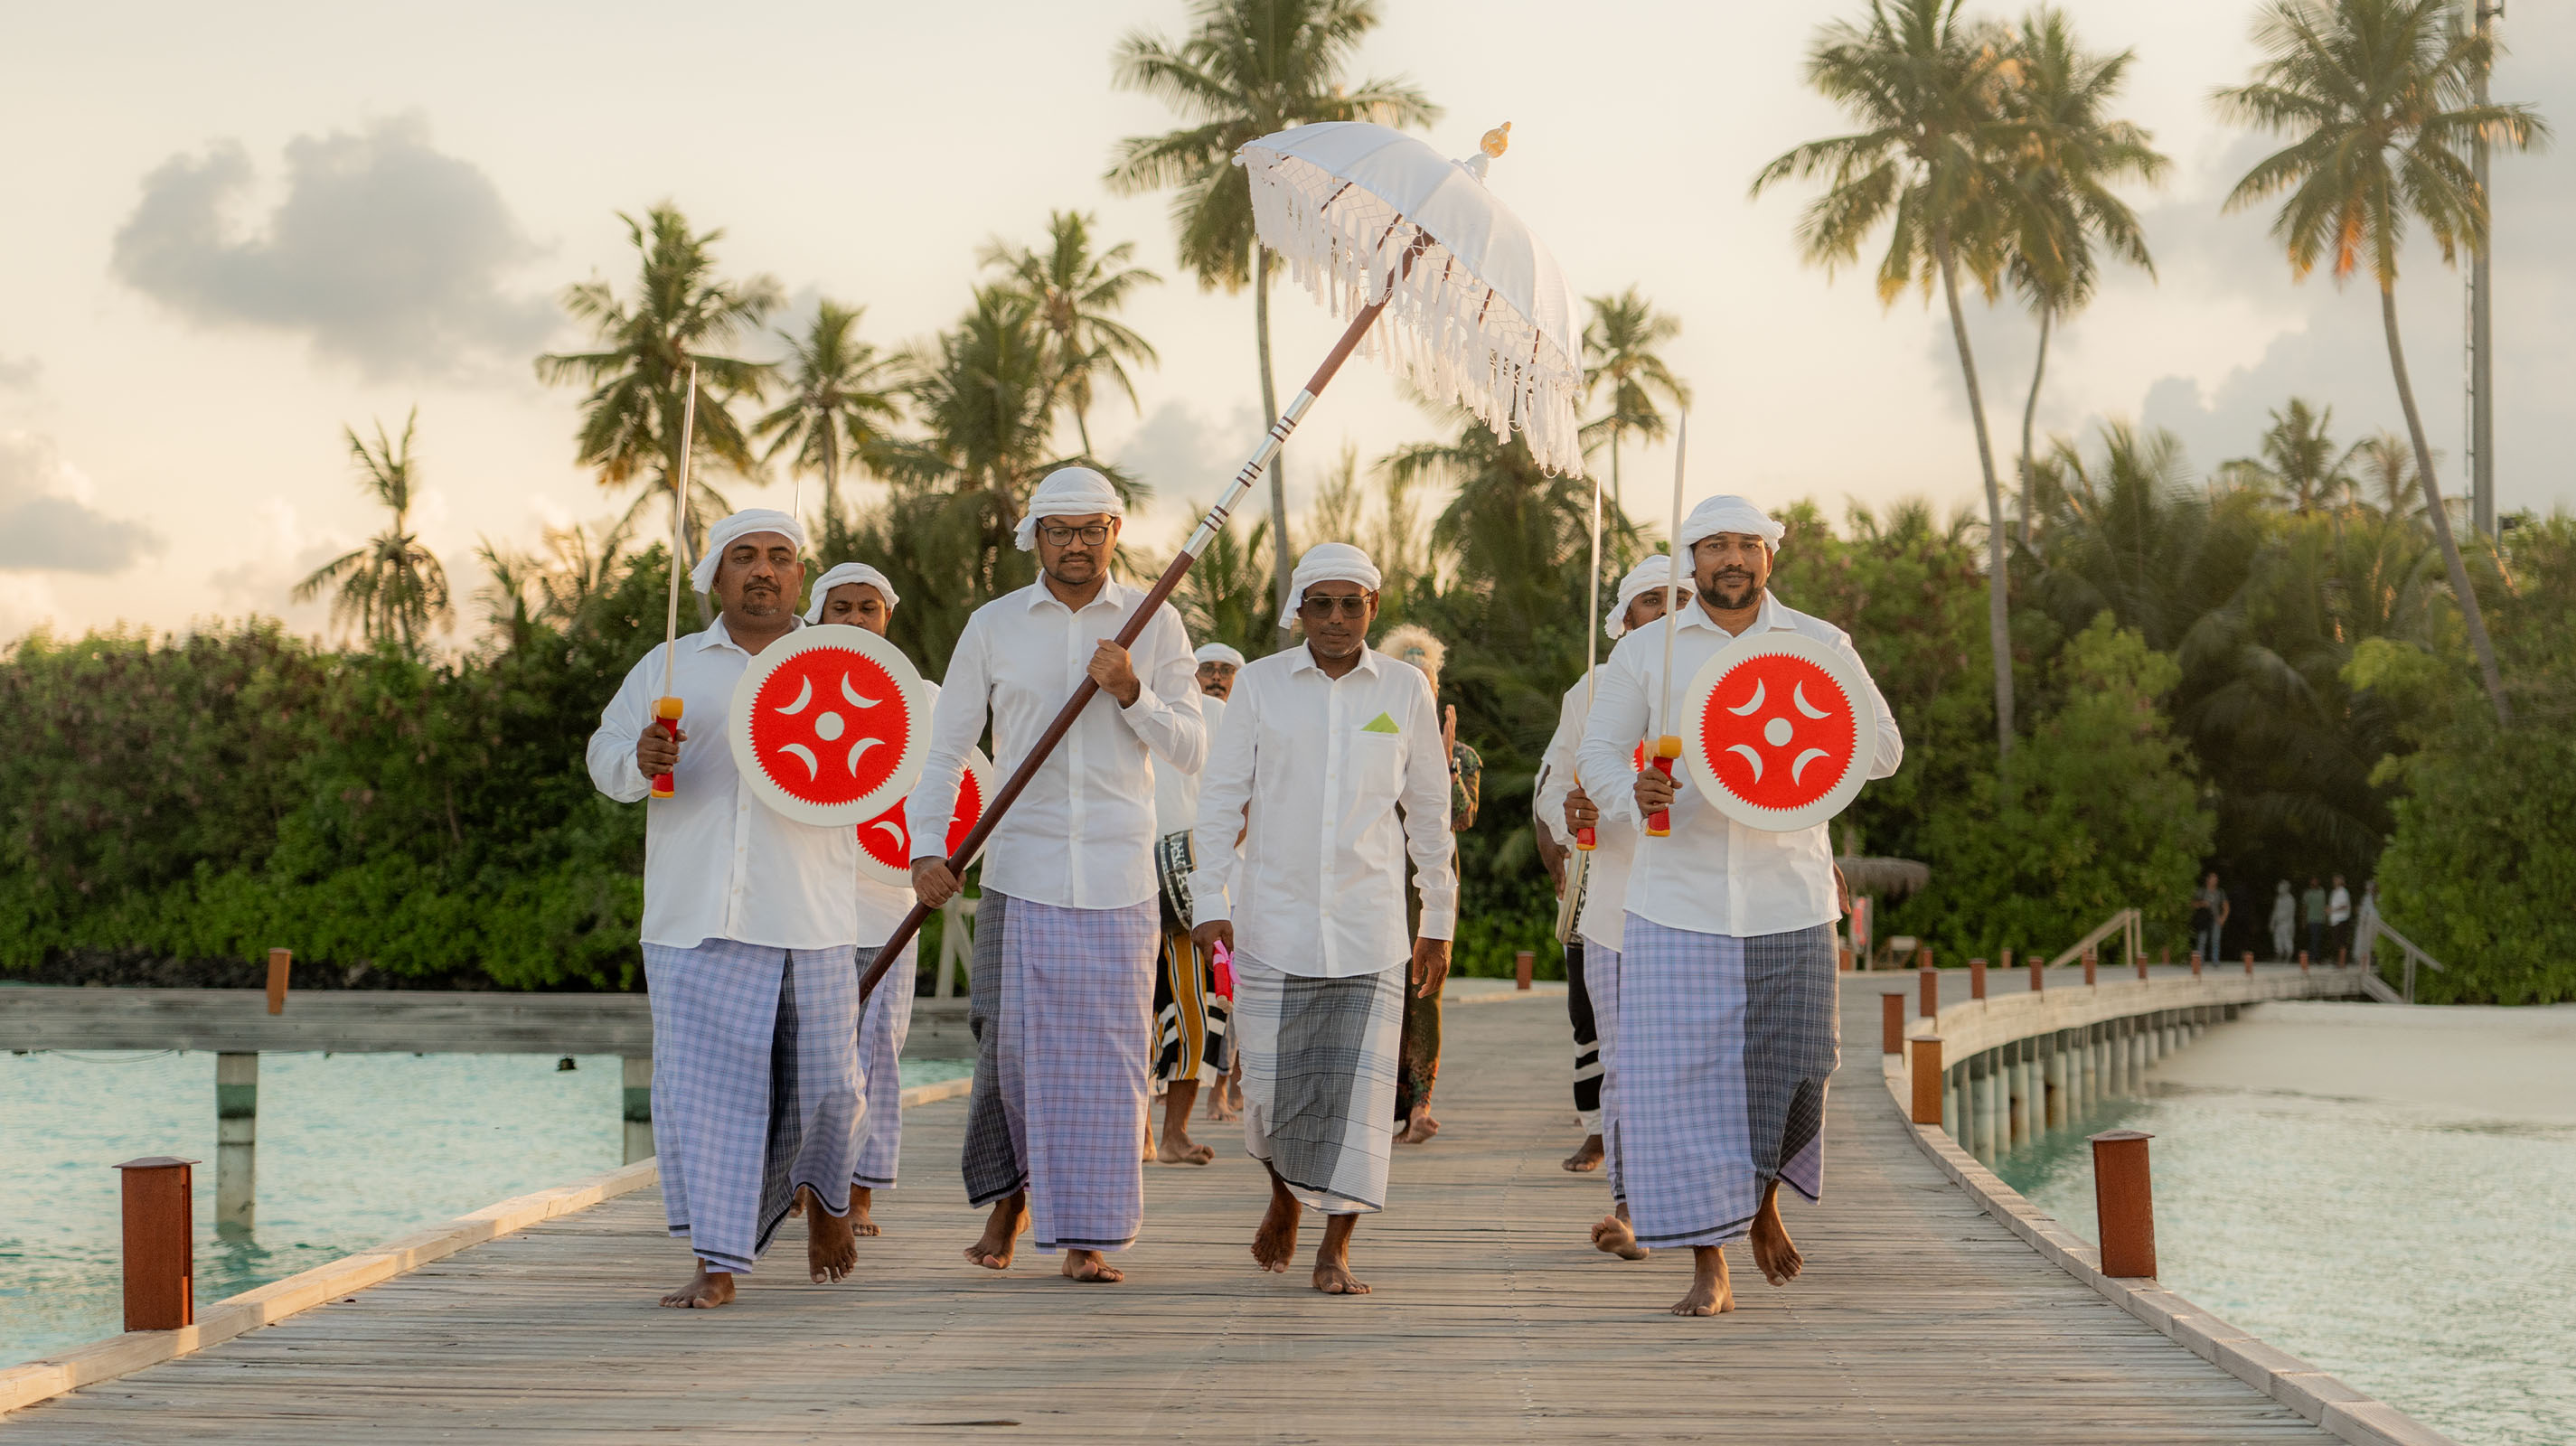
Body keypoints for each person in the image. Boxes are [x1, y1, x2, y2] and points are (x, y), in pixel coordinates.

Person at [1576, 496, 1902, 1317]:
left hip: (1790, 897)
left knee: (1802, 1066)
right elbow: (1598, 754)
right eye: (1714, 545)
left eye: (1747, 545)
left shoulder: (1820, 645)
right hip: (1673, 898)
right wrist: (1632, 791)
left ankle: (1763, 1204)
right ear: (1691, 560)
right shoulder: (1646, 651)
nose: (1732, 559)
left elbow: (1885, 750)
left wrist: (1797, 750)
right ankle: (1709, 1263)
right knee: (1681, 1084)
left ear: (1769, 557)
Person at [907, 467, 1206, 1285]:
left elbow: (1193, 747)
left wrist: (1133, 692)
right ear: (1034, 536)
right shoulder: (994, 625)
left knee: (1107, 1061)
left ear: (1115, 533)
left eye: (1090, 530)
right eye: (1059, 530)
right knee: (1010, 1047)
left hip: (1118, 871)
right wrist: (928, 847)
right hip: (1020, 865)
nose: (1076, 545)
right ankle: (1013, 1198)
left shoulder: (1156, 622)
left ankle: (1088, 1235)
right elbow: (945, 749)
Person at [586, 508, 867, 1310]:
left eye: (779, 556)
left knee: (831, 1088)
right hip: (695, 916)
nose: (763, 570)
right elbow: (604, 753)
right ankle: (718, 1262)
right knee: (708, 1102)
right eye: (744, 556)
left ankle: (827, 1202)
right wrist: (638, 757)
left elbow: (893, 762)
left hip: (809, 910)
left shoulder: (841, 662)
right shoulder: (670, 664)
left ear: (801, 577)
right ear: (715, 576)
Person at [1189, 543, 1455, 1296]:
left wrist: (1439, 917)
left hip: (1372, 926)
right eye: (1321, 604)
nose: (1336, 618)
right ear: (1298, 610)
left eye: (1351, 604)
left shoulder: (1404, 689)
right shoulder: (1261, 685)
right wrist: (1209, 901)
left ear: (1374, 607)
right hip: (1271, 922)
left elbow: (1429, 810)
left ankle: (1335, 1247)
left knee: (1358, 1101)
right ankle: (1283, 1195)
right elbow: (1221, 798)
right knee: (1270, 1093)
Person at [1534, 557, 1674, 1178]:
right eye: (1651, 600)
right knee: (1597, 1025)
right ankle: (1608, 1149)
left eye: (1678, 600)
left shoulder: (1718, 681)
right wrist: (1569, 814)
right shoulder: (1590, 689)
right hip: (1609, 889)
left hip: (1693, 894)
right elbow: (1553, 785)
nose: (1665, 612)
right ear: (1626, 619)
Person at [806, 562, 926, 1235]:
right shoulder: (785, 689)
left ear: (889, 618)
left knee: (875, 1052)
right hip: (803, 907)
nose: (854, 618)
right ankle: (803, 1183)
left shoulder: (924, 699)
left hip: (887, 907)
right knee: (805, 1050)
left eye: (868, 608)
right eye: (841, 607)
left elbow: (954, 790)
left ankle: (857, 1194)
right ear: (818, 617)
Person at [1377, 624, 1479, 1146]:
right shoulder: (1371, 735)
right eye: (1409, 676)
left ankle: (1420, 1105)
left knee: (1425, 993)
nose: (1419, 686)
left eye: (1427, 679)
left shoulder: (1461, 753)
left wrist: (1444, 767)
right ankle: (1378, 1109)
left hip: (1430, 884)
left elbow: (1463, 818)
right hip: (1376, 878)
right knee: (1379, 991)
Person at [1143, 644, 1237, 1165]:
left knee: (1197, 1010)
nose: (1215, 677)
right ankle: (1141, 1131)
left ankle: (1174, 1133)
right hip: (1129, 877)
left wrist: (1211, 862)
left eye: (1226, 670)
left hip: (1195, 886)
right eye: (1207, 668)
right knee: (1133, 1010)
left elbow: (1243, 798)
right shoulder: (1130, 704)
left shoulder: (1220, 716)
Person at [2193, 873, 2228, 963]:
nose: (2214, 881)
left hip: (2216, 919)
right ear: (2207, 880)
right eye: (2212, 879)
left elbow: (2226, 906)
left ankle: (2215, 960)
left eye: (2216, 879)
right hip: (2204, 919)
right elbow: (2193, 904)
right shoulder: (2201, 891)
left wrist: (2223, 918)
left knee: (2216, 940)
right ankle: (2200, 961)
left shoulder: (2220, 892)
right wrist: (2202, 903)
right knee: (2202, 940)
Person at [2268, 880, 2296, 962]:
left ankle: (2288, 955)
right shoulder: (2278, 899)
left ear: (2286, 888)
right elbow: (2275, 911)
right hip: (2278, 923)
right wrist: (2272, 922)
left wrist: (2284, 921)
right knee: (2277, 939)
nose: (2279, 888)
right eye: (2279, 887)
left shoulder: (2290, 899)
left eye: (2281, 887)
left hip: (2287, 923)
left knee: (2287, 939)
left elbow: (2290, 913)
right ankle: (2279, 955)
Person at [2302, 878, 2328, 962]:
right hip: (2312, 919)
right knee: (2314, 938)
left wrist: (2326, 917)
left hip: (2321, 919)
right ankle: (2314, 957)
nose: (2314, 883)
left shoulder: (2322, 892)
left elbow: (2324, 905)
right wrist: (2304, 920)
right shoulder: (2307, 893)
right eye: (2313, 881)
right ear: (2310, 883)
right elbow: (2305, 907)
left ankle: (2314, 956)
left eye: (2316, 881)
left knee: (2318, 939)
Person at [2328, 874, 2353, 963]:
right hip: (2335, 920)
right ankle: (2338, 961)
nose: (2334, 881)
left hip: (2342, 919)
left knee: (2341, 941)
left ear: (2341, 881)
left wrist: (2332, 910)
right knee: (2336, 942)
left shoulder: (2343, 892)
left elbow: (2344, 906)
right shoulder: (2334, 892)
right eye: (2334, 880)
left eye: (2336, 880)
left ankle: (2342, 962)